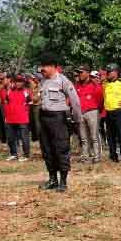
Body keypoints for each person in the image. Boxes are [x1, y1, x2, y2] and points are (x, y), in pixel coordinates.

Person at [36, 53, 83, 192]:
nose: (42, 69)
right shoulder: (43, 81)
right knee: (47, 149)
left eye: (45, 66)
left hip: (59, 118)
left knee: (60, 149)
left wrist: (76, 119)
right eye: (42, 66)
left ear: (54, 67)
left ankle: (63, 181)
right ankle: (52, 179)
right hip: (44, 117)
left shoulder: (63, 81)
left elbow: (75, 101)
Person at [73, 68, 103, 163]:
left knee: (94, 136)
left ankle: (96, 156)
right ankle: (85, 156)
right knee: (83, 137)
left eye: (81, 72)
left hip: (92, 111)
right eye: (78, 72)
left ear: (87, 73)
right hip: (80, 112)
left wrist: (96, 109)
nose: (79, 74)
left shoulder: (95, 85)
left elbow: (100, 99)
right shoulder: (77, 85)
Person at [3, 75, 32, 160]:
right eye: (17, 81)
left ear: (23, 83)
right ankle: (13, 154)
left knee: (24, 138)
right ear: (14, 82)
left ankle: (26, 155)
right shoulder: (9, 91)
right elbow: (6, 101)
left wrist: (25, 111)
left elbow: (30, 103)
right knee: (10, 137)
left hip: (22, 118)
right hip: (10, 118)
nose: (18, 83)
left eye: (20, 81)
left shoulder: (26, 92)